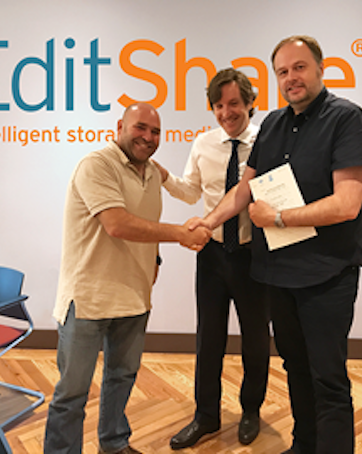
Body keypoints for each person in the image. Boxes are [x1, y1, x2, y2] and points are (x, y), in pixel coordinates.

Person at [190, 36, 362, 454]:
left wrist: (278, 217)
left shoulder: (347, 120)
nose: (291, 77)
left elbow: (347, 204)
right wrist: (208, 221)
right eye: (283, 71)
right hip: (278, 274)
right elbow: (245, 189)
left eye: (299, 67)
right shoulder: (273, 124)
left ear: (320, 68)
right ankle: (303, 445)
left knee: (328, 378)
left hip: (327, 275)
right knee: (295, 368)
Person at [43, 103, 211, 454]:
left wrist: (156, 258)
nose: (148, 137)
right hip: (88, 301)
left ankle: (114, 443)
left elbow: (151, 218)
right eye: (140, 128)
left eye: (155, 132)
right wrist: (181, 235)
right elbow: (117, 224)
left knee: (121, 378)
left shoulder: (152, 173)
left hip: (134, 297)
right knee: (72, 394)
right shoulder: (96, 165)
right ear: (119, 127)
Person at [155, 68, 271, 450]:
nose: (226, 113)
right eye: (218, 106)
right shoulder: (203, 143)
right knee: (208, 339)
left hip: (255, 256)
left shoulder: (267, 141)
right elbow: (191, 192)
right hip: (212, 254)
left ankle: (251, 411)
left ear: (250, 102)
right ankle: (206, 416)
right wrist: (164, 176)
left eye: (234, 103)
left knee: (256, 339)